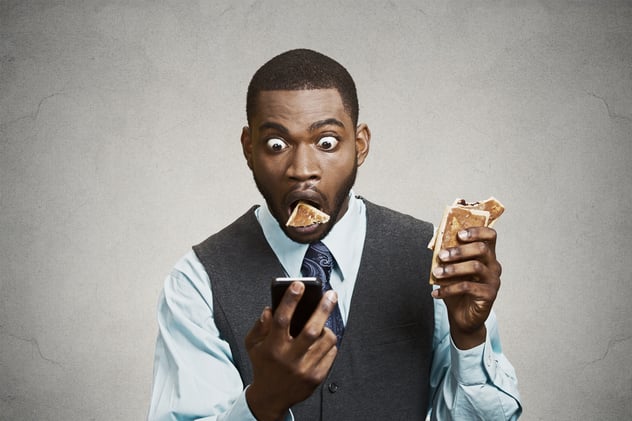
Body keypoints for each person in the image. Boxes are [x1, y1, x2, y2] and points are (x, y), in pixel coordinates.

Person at [148, 49, 522, 420]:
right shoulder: (197, 282)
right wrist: (262, 403)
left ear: (359, 145)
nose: (302, 169)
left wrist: (469, 338)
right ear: (249, 149)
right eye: (276, 145)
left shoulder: (437, 263)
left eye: (326, 142)